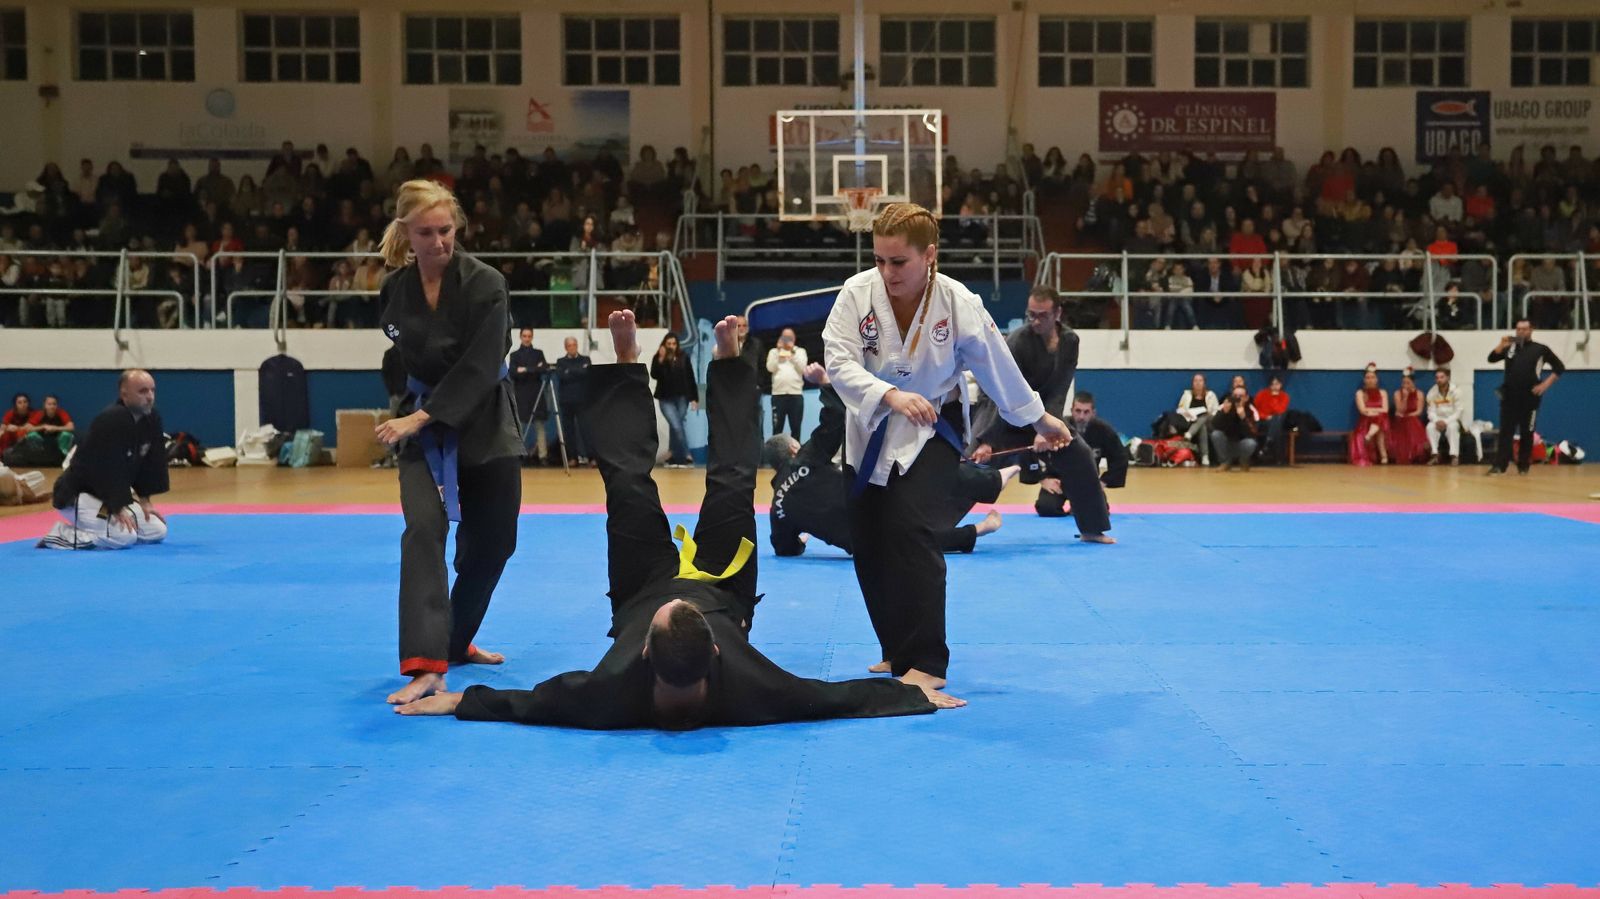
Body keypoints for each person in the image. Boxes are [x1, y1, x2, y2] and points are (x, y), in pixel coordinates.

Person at [393, 311, 962, 727]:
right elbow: (836, 697)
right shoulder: (751, 687)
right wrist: (914, 696)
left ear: (642, 650)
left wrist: (456, 702)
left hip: (640, 589)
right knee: (735, 483)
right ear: (717, 649)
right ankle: (729, 364)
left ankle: (623, 367)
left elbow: (527, 703)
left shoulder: (608, 692)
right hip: (725, 587)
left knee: (628, 487)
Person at [822, 202, 1071, 693]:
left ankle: (927, 660)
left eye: (899, 262)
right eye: (880, 261)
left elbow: (998, 367)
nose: (887, 272)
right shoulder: (856, 294)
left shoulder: (958, 303)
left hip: (932, 428)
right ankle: (895, 648)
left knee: (912, 526)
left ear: (929, 255)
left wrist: (1039, 419)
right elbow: (837, 360)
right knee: (869, 539)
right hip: (869, 427)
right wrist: (889, 395)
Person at [374, 179, 523, 705]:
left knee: (494, 544)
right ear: (406, 235)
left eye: (446, 230)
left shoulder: (486, 284)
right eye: (425, 233)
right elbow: (399, 358)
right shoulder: (394, 290)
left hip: (484, 424)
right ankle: (426, 663)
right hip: (419, 431)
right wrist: (409, 411)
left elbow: (483, 364)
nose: (438, 242)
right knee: (423, 532)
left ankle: (456, 641)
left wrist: (423, 416)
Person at [766, 364, 1017, 558]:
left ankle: (981, 527)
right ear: (792, 448)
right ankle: (994, 481)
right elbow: (833, 422)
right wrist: (826, 383)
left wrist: (801, 541)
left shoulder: (777, 510)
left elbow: (783, 548)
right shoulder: (804, 459)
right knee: (925, 480)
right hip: (869, 511)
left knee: (913, 540)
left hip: (861, 546)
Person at [971, 286, 1113, 544]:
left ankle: (1092, 529)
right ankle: (933, 529)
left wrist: (1045, 427)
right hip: (1003, 418)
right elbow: (999, 392)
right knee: (971, 466)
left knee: (1079, 454)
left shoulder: (1070, 341)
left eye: (1042, 315)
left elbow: (1060, 388)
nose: (1035, 321)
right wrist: (987, 439)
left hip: (1044, 418)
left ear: (1058, 313)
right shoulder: (1017, 341)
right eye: (1031, 315)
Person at [37, 370, 169, 550]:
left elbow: (150, 464)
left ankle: (100, 525)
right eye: (143, 391)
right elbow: (105, 469)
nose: (150, 396)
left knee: (157, 530)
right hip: (78, 495)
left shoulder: (151, 419)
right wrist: (118, 507)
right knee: (123, 537)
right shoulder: (111, 421)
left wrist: (145, 502)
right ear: (124, 394)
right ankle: (60, 534)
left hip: (106, 499)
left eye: (152, 390)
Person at [1487, 318, 1564, 475]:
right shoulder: (1510, 347)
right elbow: (1491, 358)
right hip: (1509, 397)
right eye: (1518, 329)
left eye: (1524, 329)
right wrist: (1501, 344)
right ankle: (1499, 466)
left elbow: (1559, 367)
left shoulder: (1540, 349)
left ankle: (1523, 466)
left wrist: (1544, 385)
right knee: (1505, 433)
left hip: (1530, 398)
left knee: (1527, 432)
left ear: (1531, 330)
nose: (1521, 332)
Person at [650, 332, 698, 468]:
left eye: (674, 344)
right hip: (666, 399)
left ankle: (671, 453)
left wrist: (694, 398)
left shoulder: (683, 357)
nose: (671, 346)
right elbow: (654, 375)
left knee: (676, 426)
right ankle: (687, 455)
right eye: (669, 344)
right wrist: (661, 358)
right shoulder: (659, 357)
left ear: (677, 345)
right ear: (664, 344)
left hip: (682, 397)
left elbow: (690, 377)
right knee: (676, 425)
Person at [508, 327, 551, 465]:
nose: (527, 338)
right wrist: (533, 368)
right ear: (520, 337)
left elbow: (544, 368)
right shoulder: (514, 355)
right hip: (521, 394)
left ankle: (543, 456)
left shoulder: (538, 353)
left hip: (537, 393)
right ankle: (519, 454)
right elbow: (513, 372)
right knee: (519, 425)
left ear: (532, 337)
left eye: (529, 336)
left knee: (540, 425)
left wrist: (525, 369)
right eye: (524, 336)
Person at [555, 336, 592, 465]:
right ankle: (573, 458)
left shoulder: (585, 359)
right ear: (566, 347)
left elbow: (587, 373)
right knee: (569, 431)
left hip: (582, 400)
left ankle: (591, 457)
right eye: (569, 345)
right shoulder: (560, 362)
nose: (572, 347)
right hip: (566, 401)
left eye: (574, 345)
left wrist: (570, 371)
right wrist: (579, 371)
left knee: (586, 429)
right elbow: (562, 376)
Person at [766, 328, 807, 440]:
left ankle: (797, 456)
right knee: (777, 429)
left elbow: (803, 368)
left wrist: (792, 352)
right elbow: (770, 368)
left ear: (794, 339)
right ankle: (775, 456)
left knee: (796, 429)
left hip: (796, 395)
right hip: (778, 395)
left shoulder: (800, 351)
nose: (787, 340)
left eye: (789, 338)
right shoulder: (773, 352)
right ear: (780, 338)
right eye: (785, 337)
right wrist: (779, 352)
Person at [1210, 384, 1260, 472]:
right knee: (1216, 434)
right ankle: (1225, 462)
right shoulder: (1224, 407)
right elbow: (1214, 426)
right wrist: (1224, 413)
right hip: (1226, 444)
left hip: (1241, 444)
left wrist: (1243, 418)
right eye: (1235, 396)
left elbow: (1253, 433)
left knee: (1251, 443)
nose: (1237, 398)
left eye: (1241, 396)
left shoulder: (1251, 410)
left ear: (1246, 398)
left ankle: (1244, 460)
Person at [1350, 366, 1391, 466]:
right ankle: (1383, 455)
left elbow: (1385, 409)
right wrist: (1375, 412)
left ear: (1376, 379)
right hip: (1365, 422)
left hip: (1380, 420)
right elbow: (1362, 410)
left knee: (1381, 418)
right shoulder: (1360, 393)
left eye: (1372, 377)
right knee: (1381, 418)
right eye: (1368, 378)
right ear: (1364, 380)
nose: (1370, 380)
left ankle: (1369, 436)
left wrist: (1372, 411)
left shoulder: (1383, 392)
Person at [1425, 367, 1465, 465]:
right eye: (1437, 378)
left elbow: (1459, 411)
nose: (1439, 380)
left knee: (1452, 428)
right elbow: (1430, 411)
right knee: (1430, 427)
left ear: (1448, 377)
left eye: (1442, 377)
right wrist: (1436, 420)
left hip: (1452, 419)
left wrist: (1446, 422)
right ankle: (1435, 455)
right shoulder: (1432, 392)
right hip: (1438, 419)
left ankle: (1454, 456)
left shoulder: (1456, 391)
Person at [1177, 373, 1218, 466]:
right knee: (1201, 426)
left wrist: (1208, 413)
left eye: (1200, 380)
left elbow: (1216, 411)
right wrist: (1186, 413)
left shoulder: (1211, 395)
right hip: (1192, 421)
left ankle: (1189, 434)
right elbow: (1180, 409)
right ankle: (1205, 456)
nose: (1198, 383)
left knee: (1204, 416)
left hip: (1209, 421)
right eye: (1195, 381)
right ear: (1192, 383)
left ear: (1204, 383)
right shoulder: (1186, 394)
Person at [1389, 372, 1429, 465]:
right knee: (1403, 421)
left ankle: (1415, 454)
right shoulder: (1397, 393)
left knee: (1411, 421)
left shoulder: (1419, 394)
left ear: (1413, 383)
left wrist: (1409, 415)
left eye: (1408, 383)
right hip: (1400, 419)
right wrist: (1405, 398)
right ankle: (1404, 453)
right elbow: (1400, 410)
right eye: (1404, 383)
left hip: (1412, 418)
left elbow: (1419, 411)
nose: (1406, 385)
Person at [1252, 376, 1290, 465]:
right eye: (1272, 384)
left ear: (1281, 385)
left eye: (1277, 384)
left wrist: (1274, 398)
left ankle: (1268, 444)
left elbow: (1280, 410)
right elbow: (1255, 410)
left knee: (1277, 419)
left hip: (1276, 421)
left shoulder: (1284, 396)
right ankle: (1269, 445)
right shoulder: (1261, 394)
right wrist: (1265, 416)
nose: (1274, 386)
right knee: (1276, 424)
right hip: (1261, 420)